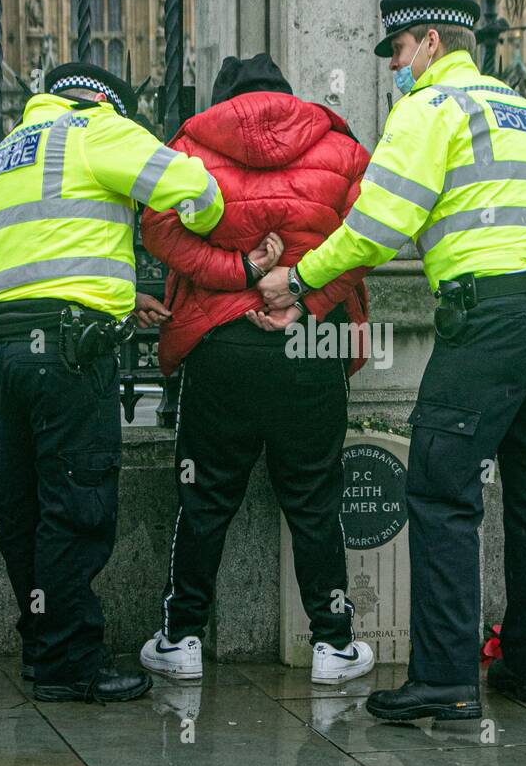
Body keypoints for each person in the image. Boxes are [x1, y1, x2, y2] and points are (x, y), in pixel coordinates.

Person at [258, 0, 526, 719]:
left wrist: (302, 277)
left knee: (441, 489)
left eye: (400, 54)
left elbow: (379, 224)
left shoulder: (432, 108)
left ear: (432, 42)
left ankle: (443, 681)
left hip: (490, 316)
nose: (396, 71)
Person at [0, 61, 222, 703]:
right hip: (68, 350)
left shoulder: (0, 157)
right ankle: (70, 663)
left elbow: (45, 251)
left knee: (20, 502)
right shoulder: (94, 130)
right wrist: (201, 221)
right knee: (76, 503)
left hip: (2, 348)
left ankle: (40, 643)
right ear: (103, 103)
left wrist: (116, 292)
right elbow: (192, 185)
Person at [138, 53, 376, 685]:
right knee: (316, 498)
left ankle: (181, 637)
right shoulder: (339, 143)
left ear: (225, 99)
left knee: (206, 496)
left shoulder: (191, 144)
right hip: (310, 341)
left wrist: (237, 275)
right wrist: (304, 295)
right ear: (287, 96)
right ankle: (333, 645)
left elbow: (157, 230)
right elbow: (372, 234)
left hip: (221, 344)